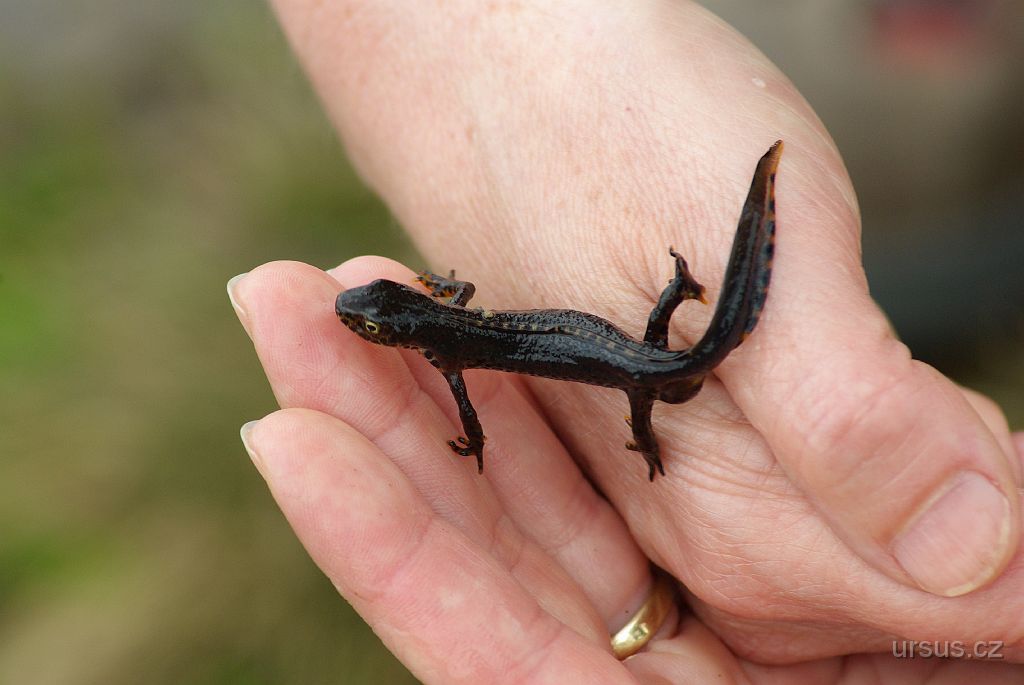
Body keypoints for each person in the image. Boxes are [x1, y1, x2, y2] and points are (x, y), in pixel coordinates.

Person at [228, 1, 1024, 681]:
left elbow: (470, 407)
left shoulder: (450, 353)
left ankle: (708, 298)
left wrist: (487, 442)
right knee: (663, 363)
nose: (365, 320)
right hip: (625, 354)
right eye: (370, 320)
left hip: (633, 368)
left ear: (402, 323)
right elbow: (462, 313)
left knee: (663, 374)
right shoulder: (451, 334)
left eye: (370, 319)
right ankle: (694, 297)